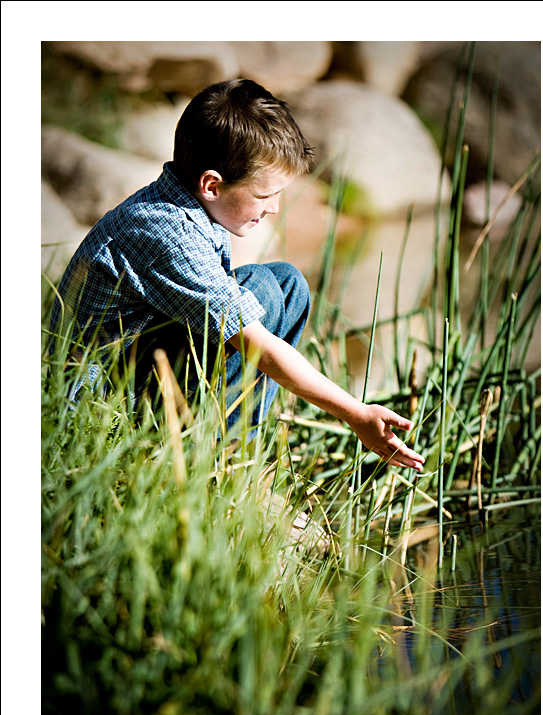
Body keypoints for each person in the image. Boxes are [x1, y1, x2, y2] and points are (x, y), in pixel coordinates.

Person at [49, 79, 424, 472]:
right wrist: (354, 413)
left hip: (138, 365)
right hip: (105, 397)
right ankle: (204, 457)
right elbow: (254, 343)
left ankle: (235, 443)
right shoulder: (165, 232)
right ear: (212, 184)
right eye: (265, 195)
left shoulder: (189, 208)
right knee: (262, 290)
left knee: (286, 282)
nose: (276, 208)